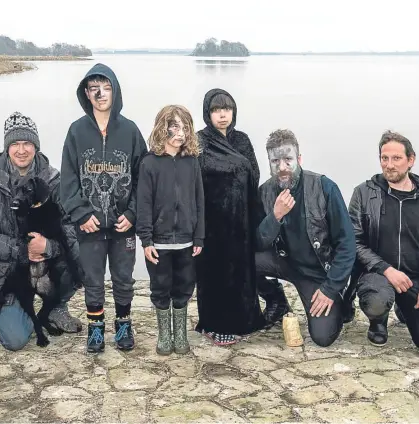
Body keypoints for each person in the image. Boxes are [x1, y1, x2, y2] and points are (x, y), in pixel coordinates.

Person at [0, 111, 82, 351]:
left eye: (27, 143)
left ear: (36, 146)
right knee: (16, 340)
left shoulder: (56, 181)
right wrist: (20, 249)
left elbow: (73, 226)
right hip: (6, 271)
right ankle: (7, 309)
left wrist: (49, 246)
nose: (21, 150)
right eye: (15, 144)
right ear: (6, 148)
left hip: (47, 265)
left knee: (88, 253)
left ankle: (56, 307)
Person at [60, 64, 147, 353]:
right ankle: (96, 329)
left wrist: (133, 214)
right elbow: (68, 180)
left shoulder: (131, 131)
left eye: (106, 87)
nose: (100, 94)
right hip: (90, 227)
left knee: (124, 279)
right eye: (94, 88)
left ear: (115, 91)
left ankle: (123, 324)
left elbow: (143, 179)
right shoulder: (76, 132)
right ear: (87, 93)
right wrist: (81, 214)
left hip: (123, 226)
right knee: (93, 279)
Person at [346, 130, 419, 354]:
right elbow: (354, 242)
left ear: (411, 160)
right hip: (377, 275)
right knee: (377, 300)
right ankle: (378, 320)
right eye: (384, 158)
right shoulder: (364, 194)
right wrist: (386, 269)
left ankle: (405, 308)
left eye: (396, 158)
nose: (389, 165)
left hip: (415, 279)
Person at [255, 129, 356, 347]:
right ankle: (276, 301)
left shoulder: (324, 187)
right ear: (269, 162)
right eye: (275, 161)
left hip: (318, 273)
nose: (282, 167)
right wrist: (276, 216)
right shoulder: (264, 192)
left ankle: (342, 300)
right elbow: (257, 243)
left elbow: (347, 244)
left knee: (323, 337)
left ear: (299, 159)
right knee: (241, 260)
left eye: (288, 159)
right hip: (284, 263)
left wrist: (330, 288)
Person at [195, 88, 265, 345]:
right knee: (213, 274)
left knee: (241, 274)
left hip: (241, 220)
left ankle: (243, 321)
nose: (222, 115)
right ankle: (214, 324)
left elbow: (254, 175)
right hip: (212, 222)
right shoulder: (199, 141)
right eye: (216, 110)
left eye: (227, 109)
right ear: (207, 113)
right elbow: (194, 179)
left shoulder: (242, 140)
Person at [137, 105, 204, 355]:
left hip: (187, 242)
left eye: (184, 127)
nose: (180, 133)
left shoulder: (192, 163)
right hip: (159, 243)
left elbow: (199, 201)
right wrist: (146, 241)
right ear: (161, 128)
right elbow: (143, 204)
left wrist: (199, 236)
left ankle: (181, 335)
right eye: (174, 126)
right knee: (160, 287)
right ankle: (165, 335)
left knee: (184, 288)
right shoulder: (149, 164)